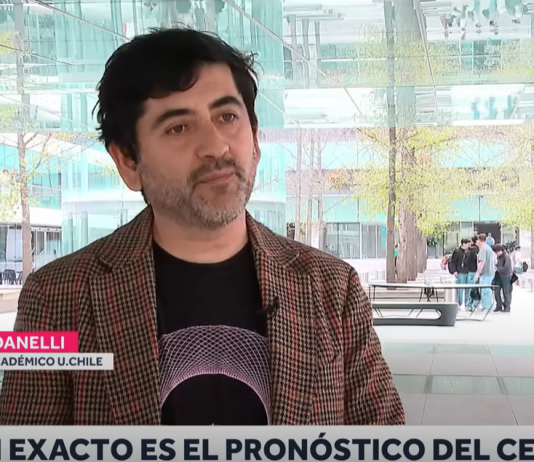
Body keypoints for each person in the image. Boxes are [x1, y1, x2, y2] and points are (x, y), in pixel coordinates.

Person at [0, 29, 404, 426]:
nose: (215, 146)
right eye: (178, 127)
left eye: (227, 117)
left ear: (255, 139)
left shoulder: (333, 287)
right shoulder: (52, 297)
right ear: (127, 160)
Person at [474, 234, 496, 311]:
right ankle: (486, 306)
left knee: (485, 290)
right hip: (489, 272)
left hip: (486, 273)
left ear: (479, 240)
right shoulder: (488, 248)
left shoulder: (483, 249)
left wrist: (477, 273)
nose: (476, 242)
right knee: (485, 290)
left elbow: (481, 262)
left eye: (477, 240)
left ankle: (488, 307)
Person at [448, 238, 471, 308]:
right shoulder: (457, 251)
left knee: (468, 288)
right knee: (460, 288)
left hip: (468, 271)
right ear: (463, 244)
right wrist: (454, 271)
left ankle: (467, 303)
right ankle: (460, 302)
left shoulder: (469, 251)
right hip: (460, 272)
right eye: (468, 244)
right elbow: (452, 261)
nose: (469, 245)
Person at [493, 244, 512, 313]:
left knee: (506, 292)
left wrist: (499, 269)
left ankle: (507, 307)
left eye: (497, 252)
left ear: (500, 250)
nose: (496, 253)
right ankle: (499, 305)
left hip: (505, 276)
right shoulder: (499, 257)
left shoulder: (506, 256)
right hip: (499, 275)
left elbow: (507, 267)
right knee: (496, 291)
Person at [464, 236, 479, 311]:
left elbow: (465, 262)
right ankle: (475, 304)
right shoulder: (479, 250)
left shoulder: (469, 251)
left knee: (470, 288)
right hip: (477, 271)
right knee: (476, 288)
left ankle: (469, 304)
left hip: (470, 271)